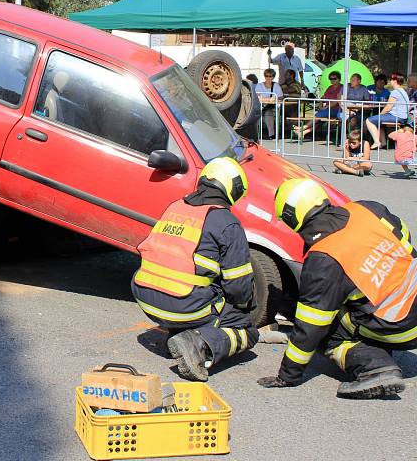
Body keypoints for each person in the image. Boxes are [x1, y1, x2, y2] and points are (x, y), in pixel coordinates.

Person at [259, 178, 417, 399]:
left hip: (403, 326)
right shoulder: (365, 208)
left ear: (290, 218)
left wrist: (287, 375)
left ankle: (375, 367)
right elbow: (404, 236)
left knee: (327, 329)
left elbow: (310, 328)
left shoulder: (324, 258)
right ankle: (376, 341)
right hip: (410, 297)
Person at [131, 157, 258, 382]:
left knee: (200, 282)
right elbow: (238, 287)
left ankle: (181, 329)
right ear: (233, 189)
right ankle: (199, 344)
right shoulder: (226, 222)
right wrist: (245, 308)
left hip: (145, 296)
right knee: (246, 330)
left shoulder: (176, 206)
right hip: (181, 305)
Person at [365, 72, 410, 150]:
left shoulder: (395, 92)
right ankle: (383, 143)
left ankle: (376, 142)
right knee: (379, 121)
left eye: (391, 79)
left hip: (397, 116)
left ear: (395, 81)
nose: (390, 81)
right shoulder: (403, 91)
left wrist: (380, 115)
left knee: (369, 120)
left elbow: (388, 107)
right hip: (402, 116)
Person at [293, 71, 342, 139]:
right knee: (318, 120)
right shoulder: (330, 87)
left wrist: (326, 107)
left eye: (335, 78)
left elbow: (338, 101)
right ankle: (303, 132)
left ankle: (302, 128)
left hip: (337, 109)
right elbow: (323, 97)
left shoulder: (341, 88)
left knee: (317, 116)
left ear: (339, 79)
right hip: (327, 109)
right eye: (331, 79)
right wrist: (321, 105)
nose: (332, 80)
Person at [254, 69, 283, 139]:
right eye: (266, 76)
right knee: (262, 113)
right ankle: (256, 134)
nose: (268, 78)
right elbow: (257, 98)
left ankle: (271, 134)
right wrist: (269, 99)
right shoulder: (259, 85)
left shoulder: (276, 85)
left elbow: (281, 96)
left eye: (270, 76)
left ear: (273, 77)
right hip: (261, 106)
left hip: (272, 106)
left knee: (268, 113)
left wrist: (274, 99)